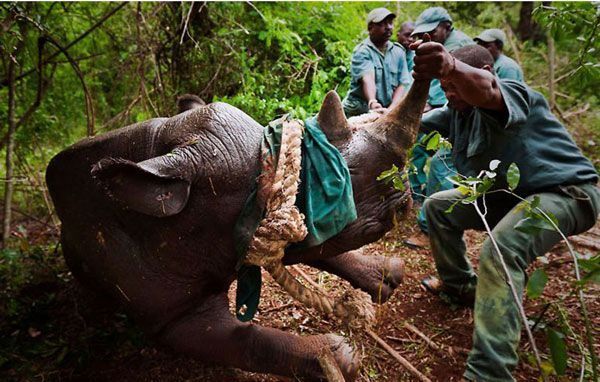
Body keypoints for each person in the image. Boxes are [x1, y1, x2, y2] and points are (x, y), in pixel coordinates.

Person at [411, 40, 599, 381]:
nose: (448, 93)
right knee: (439, 206)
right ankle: (461, 287)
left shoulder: (511, 94)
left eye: (453, 86)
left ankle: (490, 372)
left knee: (501, 249)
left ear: (481, 73)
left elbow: (488, 90)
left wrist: (450, 66)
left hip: (567, 194)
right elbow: (416, 119)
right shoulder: (457, 110)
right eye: (445, 88)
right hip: (513, 197)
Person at [405, 7, 474, 248]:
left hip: (461, 119)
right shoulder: (436, 46)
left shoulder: (459, 47)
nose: (428, 37)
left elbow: (455, 92)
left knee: (442, 166)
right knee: (420, 151)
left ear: (446, 25)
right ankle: (417, 203)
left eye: (432, 32)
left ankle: (432, 227)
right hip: (444, 113)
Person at [342, 7, 411, 117]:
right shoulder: (362, 51)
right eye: (382, 24)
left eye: (390, 23)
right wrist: (372, 102)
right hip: (359, 109)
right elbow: (367, 78)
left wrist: (392, 109)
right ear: (370, 28)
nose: (388, 27)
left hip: (388, 109)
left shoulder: (399, 52)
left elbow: (402, 84)